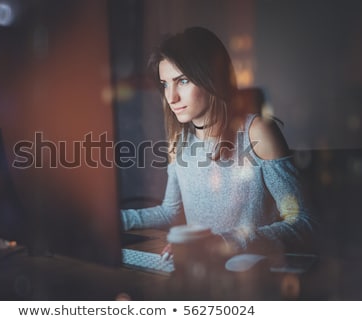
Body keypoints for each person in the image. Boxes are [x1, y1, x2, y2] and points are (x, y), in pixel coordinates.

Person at [120, 26, 316, 256]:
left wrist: (224, 242)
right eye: (165, 84)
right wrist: (115, 220)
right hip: (201, 271)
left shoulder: (257, 132)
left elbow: (302, 221)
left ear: (210, 79)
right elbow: (170, 212)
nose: (171, 97)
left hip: (252, 273)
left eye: (182, 81)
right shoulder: (178, 141)